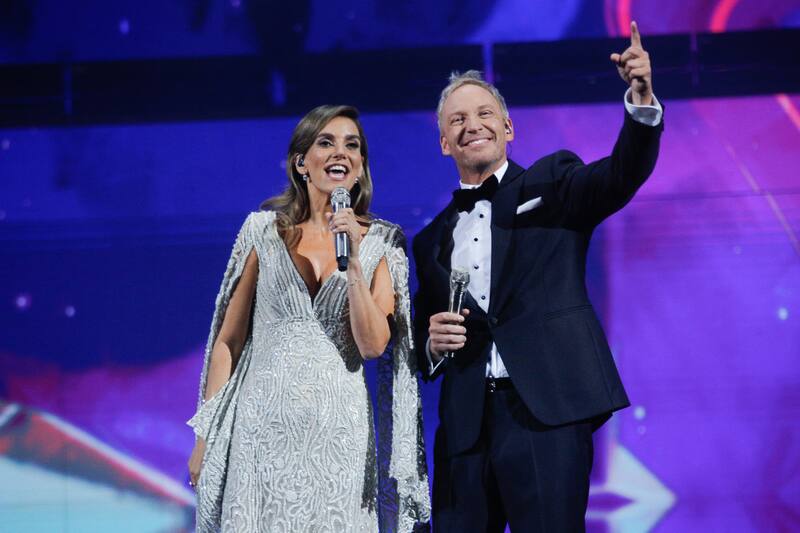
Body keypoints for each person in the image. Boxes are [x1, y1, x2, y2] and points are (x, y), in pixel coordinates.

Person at [412, 22, 663, 532]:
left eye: (484, 113)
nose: (472, 124)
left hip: (546, 412)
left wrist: (641, 101)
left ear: (508, 129)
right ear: (443, 142)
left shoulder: (552, 182)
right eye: (457, 119)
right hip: (464, 431)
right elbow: (419, 343)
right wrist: (433, 344)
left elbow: (620, 174)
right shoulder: (430, 239)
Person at [186, 105, 430, 532]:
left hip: (339, 437)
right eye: (326, 142)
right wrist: (207, 436)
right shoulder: (262, 231)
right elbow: (228, 342)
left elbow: (374, 346)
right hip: (260, 433)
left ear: (360, 168)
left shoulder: (383, 241)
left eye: (352, 145)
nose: (341, 152)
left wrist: (353, 262)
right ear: (302, 162)